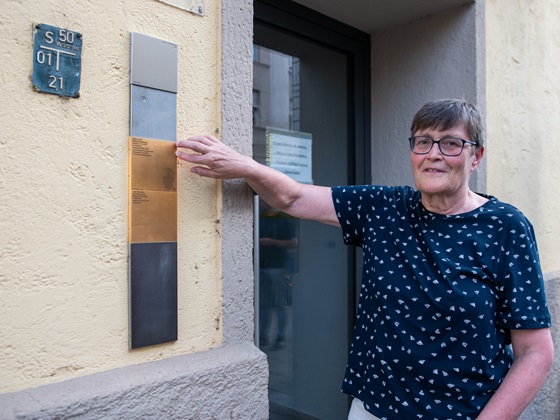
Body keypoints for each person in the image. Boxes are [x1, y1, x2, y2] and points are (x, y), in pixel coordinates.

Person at [176, 99, 553, 419]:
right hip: (372, 409)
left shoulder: (505, 227)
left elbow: (535, 353)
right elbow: (294, 198)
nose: (434, 154)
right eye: (423, 142)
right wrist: (246, 166)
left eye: (451, 143)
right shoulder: (384, 207)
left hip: (461, 412)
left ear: (476, 157)